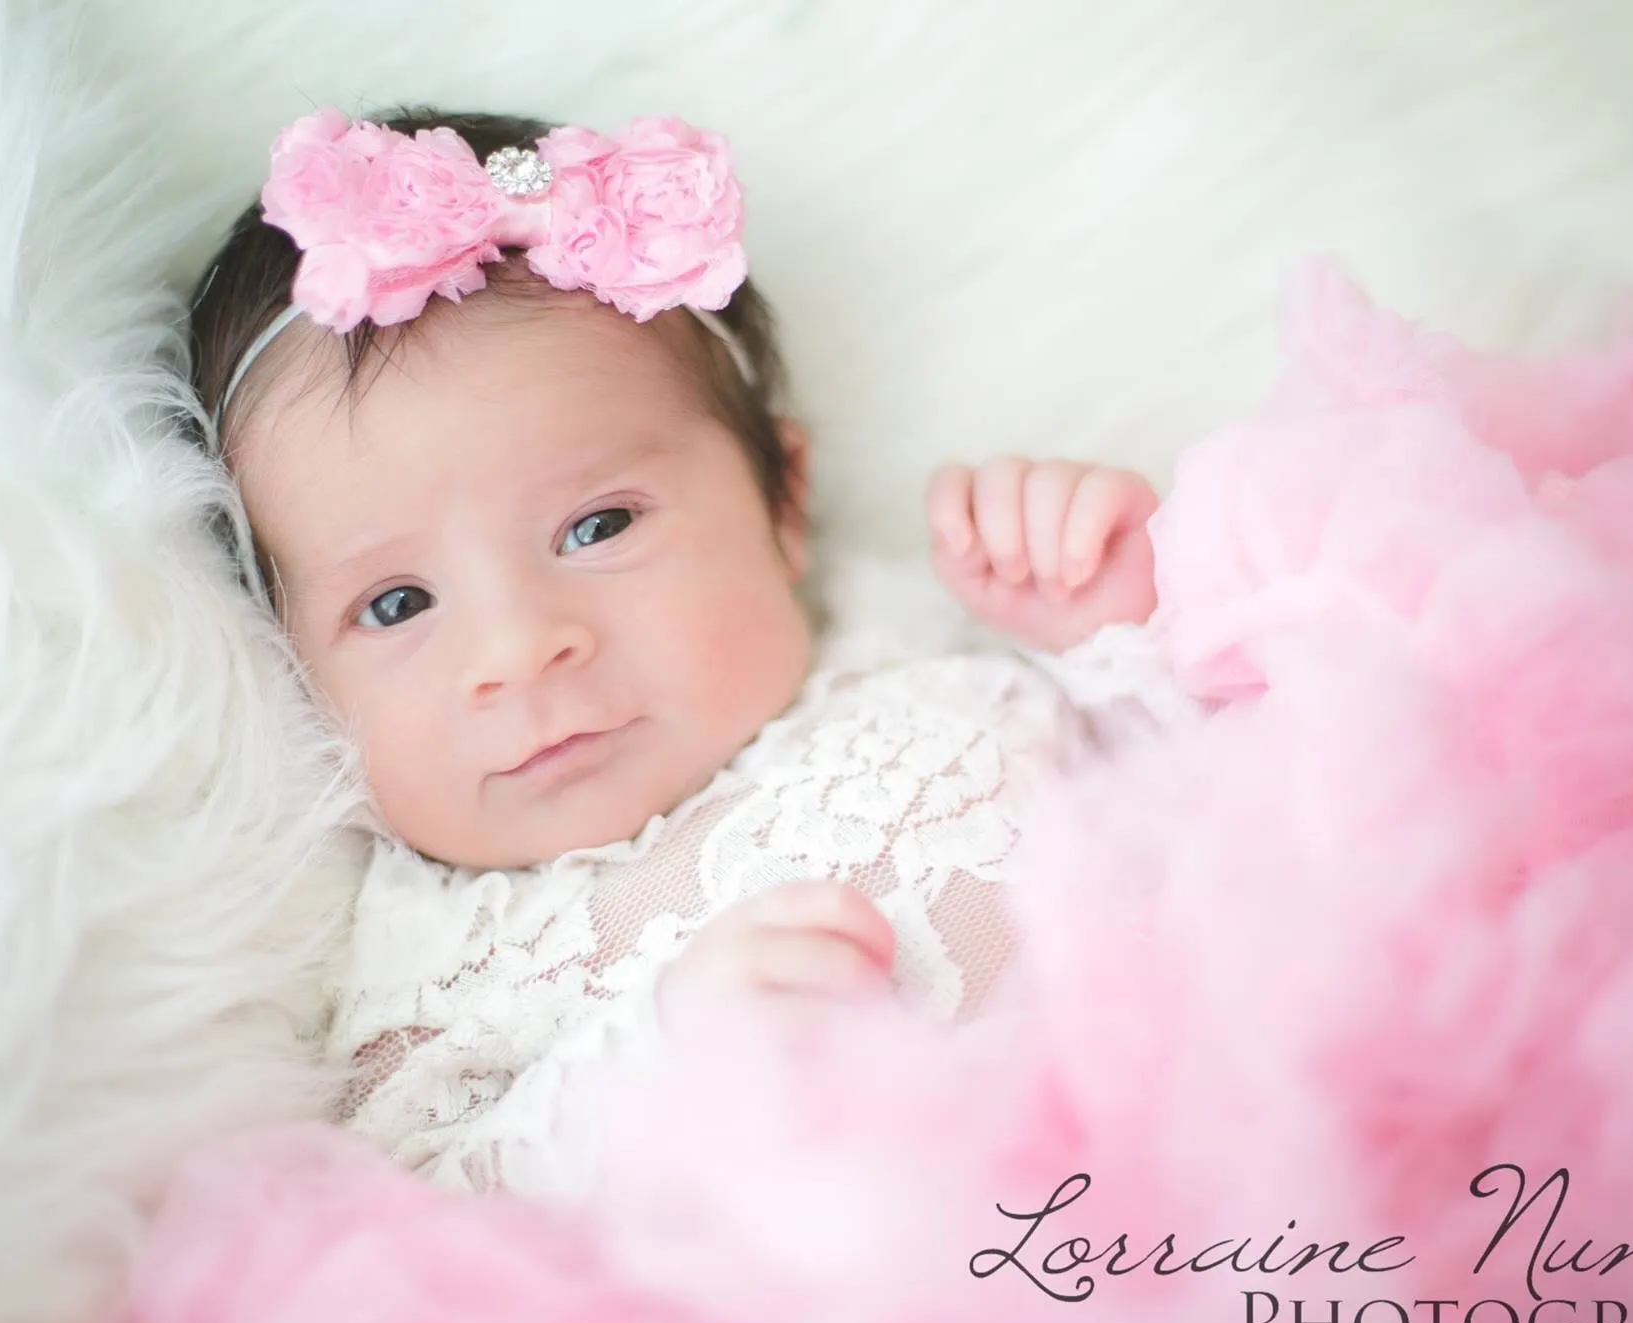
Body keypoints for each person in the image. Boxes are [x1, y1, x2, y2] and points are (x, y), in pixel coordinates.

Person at [185, 105, 1188, 1193]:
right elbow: (414, 1240)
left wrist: (1121, 637)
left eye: (598, 527)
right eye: (395, 605)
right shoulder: (435, 955)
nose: (521, 649)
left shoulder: (909, 628)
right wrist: (653, 1080)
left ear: (783, 500)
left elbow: (1229, 816)